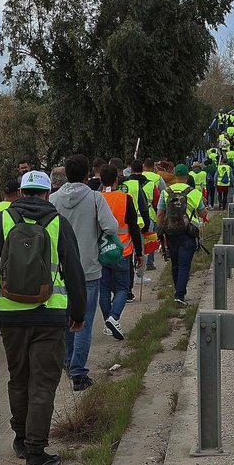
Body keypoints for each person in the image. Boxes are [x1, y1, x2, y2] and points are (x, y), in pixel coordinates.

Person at [0, 170, 88, 465]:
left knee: (18, 377)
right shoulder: (58, 224)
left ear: (21, 193)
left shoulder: (1, 221)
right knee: (43, 383)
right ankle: (37, 452)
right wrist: (78, 314)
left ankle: (21, 438)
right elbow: (74, 272)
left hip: (11, 316)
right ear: (47, 194)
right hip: (50, 315)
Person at [50, 154, 120, 391]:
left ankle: (68, 362)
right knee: (84, 322)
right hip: (88, 270)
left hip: (59, 270)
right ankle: (79, 374)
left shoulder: (53, 200)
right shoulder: (95, 198)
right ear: (87, 175)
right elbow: (111, 226)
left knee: (66, 319)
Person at [97, 164, 143, 340]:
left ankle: (108, 322)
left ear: (101, 180)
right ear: (117, 180)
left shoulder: (96, 199)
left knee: (104, 290)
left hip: (101, 252)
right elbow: (134, 228)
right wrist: (139, 253)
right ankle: (113, 318)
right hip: (122, 251)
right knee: (123, 288)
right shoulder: (126, 199)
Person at [161, 164, 207, 306]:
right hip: (188, 233)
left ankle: (177, 290)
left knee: (175, 263)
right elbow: (202, 213)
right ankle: (179, 295)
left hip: (170, 232)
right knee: (184, 265)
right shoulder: (194, 193)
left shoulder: (166, 192)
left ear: (175, 176)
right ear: (187, 177)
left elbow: (160, 212)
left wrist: (160, 230)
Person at [121, 160, 159, 273]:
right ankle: (145, 267)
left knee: (131, 248)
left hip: (126, 219)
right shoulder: (151, 183)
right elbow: (156, 200)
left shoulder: (126, 184)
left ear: (131, 169)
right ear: (142, 169)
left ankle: (132, 269)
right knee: (144, 246)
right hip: (147, 217)